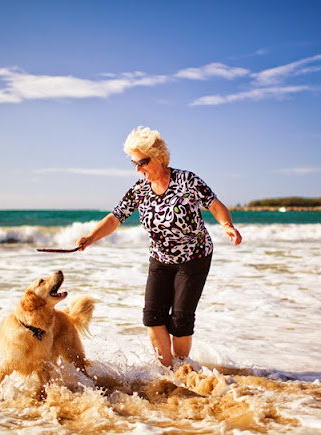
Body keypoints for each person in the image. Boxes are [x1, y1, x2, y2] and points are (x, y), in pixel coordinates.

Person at [77, 126, 242, 368]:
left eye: (142, 162)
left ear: (158, 158)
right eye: (134, 163)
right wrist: (91, 237)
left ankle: (184, 367)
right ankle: (168, 372)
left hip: (194, 256)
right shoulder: (139, 190)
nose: (138, 169)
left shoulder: (187, 180)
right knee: (153, 318)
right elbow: (115, 218)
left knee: (181, 320)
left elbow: (215, 205)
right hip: (160, 258)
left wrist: (227, 225)